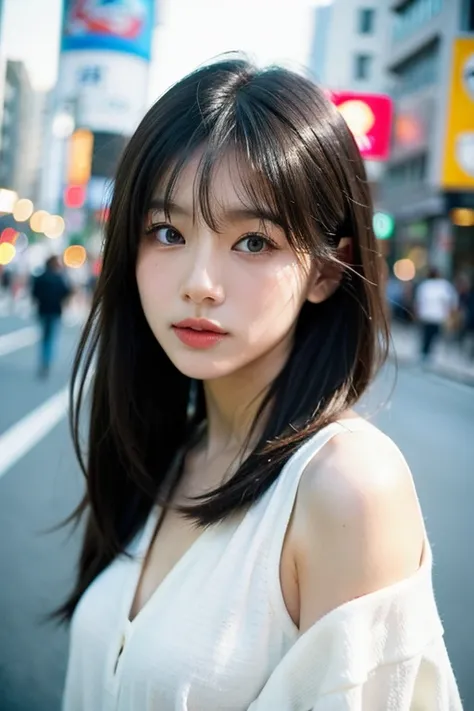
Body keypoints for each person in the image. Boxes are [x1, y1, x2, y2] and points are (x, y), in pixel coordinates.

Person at [59, 59, 462, 710]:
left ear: (328, 270)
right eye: (168, 231)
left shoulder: (348, 488)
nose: (200, 282)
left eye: (253, 241)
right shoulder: (168, 449)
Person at [31, 255, 71, 378]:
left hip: (43, 310)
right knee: (51, 337)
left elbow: (34, 293)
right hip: (55, 310)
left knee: (44, 336)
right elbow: (66, 292)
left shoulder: (40, 278)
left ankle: (44, 360)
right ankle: (47, 361)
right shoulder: (58, 278)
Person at [414, 267, 458, 363]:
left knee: (429, 336)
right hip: (434, 316)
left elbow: (418, 302)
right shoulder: (443, 286)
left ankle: (426, 354)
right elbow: (451, 303)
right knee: (430, 336)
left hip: (430, 316)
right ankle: (426, 354)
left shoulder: (427, 285)